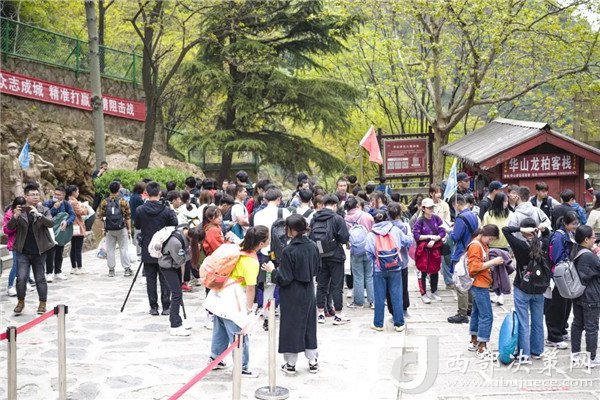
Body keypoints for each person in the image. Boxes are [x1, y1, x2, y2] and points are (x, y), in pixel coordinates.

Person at [205, 226, 270, 377]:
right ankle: (242, 367)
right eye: (268, 239)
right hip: (233, 298)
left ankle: (215, 358)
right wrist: (249, 308)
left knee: (220, 329)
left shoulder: (237, 248)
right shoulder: (251, 261)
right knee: (239, 333)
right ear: (261, 243)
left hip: (219, 292)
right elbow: (250, 288)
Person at [262, 214, 320, 374]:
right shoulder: (313, 246)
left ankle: (291, 363)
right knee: (309, 325)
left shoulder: (289, 250)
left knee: (291, 327)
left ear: (291, 230)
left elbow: (284, 278)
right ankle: (313, 360)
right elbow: (318, 268)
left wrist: (272, 270)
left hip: (292, 292)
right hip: (308, 289)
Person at [502, 219, 551, 363]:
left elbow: (505, 230)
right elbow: (547, 234)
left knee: (523, 321)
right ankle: (537, 350)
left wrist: (519, 229)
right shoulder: (543, 244)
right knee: (537, 321)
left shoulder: (520, 245)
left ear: (525, 231)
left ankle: (524, 353)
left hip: (522, 286)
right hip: (539, 288)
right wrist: (543, 229)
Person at [8, 184, 54, 315]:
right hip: (22, 251)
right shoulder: (19, 210)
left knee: (40, 278)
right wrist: (15, 216)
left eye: (37, 194)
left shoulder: (44, 210)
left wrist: (39, 215)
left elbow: (51, 223)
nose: (35, 197)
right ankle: (20, 302)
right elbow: (9, 228)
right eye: (32, 195)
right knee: (21, 277)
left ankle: (42, 303)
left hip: (39, 251)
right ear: (26, 196)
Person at [135, 181, 179, 316]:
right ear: (159, 193)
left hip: (148, 248)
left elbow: (137, 225)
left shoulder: (140, 210)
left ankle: (153, 307)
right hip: (163, 248)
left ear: (146, 193)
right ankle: (166, 306)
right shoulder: (166, 210)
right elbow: (175, 224)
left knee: (150, 279)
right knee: (165, 278)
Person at [365, 209, 412, 332]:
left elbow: (368, 252)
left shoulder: (371, 235)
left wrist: (376, 261)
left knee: (379, 297)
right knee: (397, 295)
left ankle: (378, 324)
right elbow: (408, 241)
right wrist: (410, 234)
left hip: (379, 269)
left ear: (374, 220)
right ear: (387, 219)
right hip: (395, 267)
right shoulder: (395, 230)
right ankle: (399, 323)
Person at [312, 194, 351, 325]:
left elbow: (311, 236)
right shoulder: (337, 218)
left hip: (320, 256)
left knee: (321, 285)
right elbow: (344, 238)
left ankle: (320, 314)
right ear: (335, 205)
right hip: (336, 256)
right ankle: (338, 315)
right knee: (337, 286)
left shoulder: (315, 218)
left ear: (323, 204)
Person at [159, 225, 205, 336]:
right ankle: (175, 325)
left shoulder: (183, 231)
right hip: (168, 267)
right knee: (177, 294)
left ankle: (177, 320)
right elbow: (180, 260)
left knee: (177, 294)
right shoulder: (176, 243)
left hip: (173, 266)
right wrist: (191, 252)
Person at [466, 224, 503, 358]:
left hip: (478, 283)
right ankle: (482, 347)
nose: (490, 242)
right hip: (479, 284)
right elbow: (474, 267)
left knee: (476, 313)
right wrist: (493, 262)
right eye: (490, 239)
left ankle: (474, 340)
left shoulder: (478, 243)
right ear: (485, 235)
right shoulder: (476, 245)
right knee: (487, 315)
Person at [545, 211, 579, 349]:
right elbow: (556, 257)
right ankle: (553, 336)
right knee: (557, 306)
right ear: (565, 223)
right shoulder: (559, 236)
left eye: (577, 224)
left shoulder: (570, 234)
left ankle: (562, 329)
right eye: (573, 224)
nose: (575, 226)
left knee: (566, 304)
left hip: (567, 274)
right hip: (559, 275)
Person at [571, 225, 600, 368]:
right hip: (591, 296)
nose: (595, 239)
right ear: (586, 239)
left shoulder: (575, 250)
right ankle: (591, 357)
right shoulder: (589, 256)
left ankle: (575, 354)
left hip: (578, 294)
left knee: (577, 324)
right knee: (592, 328)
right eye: (593, 237)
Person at [447, 194, 479, 324]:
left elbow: (455, 237)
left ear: (456, 204)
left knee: (460, 283)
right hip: (470, 250)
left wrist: (449, 231)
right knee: (468, 281)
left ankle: (462, 313)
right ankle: (470, 308)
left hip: (461, 252)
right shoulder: (473, 215)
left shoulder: (461, 217)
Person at [412, 198, 446, 304]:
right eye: (429, 207)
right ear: (423, 208)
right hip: (423, 250)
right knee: (423, 271)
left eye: (432, 207)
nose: (431, 209)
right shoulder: (420, 220)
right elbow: (416, 235)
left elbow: (442, 231)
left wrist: (435, 239)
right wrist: (429, 237)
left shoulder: (437, 218)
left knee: (435, 270)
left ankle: (434, 291)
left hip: (435, 249)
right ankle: (423, 293)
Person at [97, 181, 133, 278]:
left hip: (109, 229)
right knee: (123, 248)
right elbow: (128, 216)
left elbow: (101, 216)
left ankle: (111, 270)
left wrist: (104, 227)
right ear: (118, 189)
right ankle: (126, 269)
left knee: (110, 249)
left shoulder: (104, 201)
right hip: (121, 228)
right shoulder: (123, 201)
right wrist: (129, 229)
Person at [344, 196, 375, 308]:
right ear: (357, 205)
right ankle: (373, 301)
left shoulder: (345, 219)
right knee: (369, 276)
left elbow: (345, 236)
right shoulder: (367, 216)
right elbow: (373, 231)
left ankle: (359, 302)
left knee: (358, 276)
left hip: (355, 250)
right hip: (368, 249)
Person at [482, 192, 512, 305]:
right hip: (491, 246)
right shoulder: (488, 214)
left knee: (503, 272)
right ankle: (496, 293)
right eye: (504, 201)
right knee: (493, 272)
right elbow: (484, 229)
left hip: (505, 246)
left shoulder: (510, 214)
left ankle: (502, 295)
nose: (506, 203)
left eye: (507, 201)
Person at [43, 186, 76, 282]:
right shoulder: (48, 203)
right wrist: (54, 208)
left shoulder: (66, 204)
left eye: (59, 195)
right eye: (55, 194)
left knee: (59, 251)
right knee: (50, 252)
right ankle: (49, 273)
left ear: (63, 195)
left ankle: (58, 272)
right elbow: (46, 217)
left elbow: (72, 215)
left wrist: (67, 222)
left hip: (61, 231)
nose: (56, 196)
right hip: (50, 231)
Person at [388, 202, 413, 318]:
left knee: (390, 287)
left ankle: (392, 310)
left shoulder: (385, 227)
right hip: (402, 260)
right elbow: (407, 243)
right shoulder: (403, 226)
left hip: (388, 261)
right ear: (400, 213)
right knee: (403, 286)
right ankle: (404, 308)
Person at [3, 197, 26, 296]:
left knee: (26, 264)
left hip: (26, 242)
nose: (21, 208)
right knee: (16, 265)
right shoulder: (9, 214)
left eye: (23, 206)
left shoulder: (26, 212)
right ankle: (10, 286)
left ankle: (25, 283)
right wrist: (15, 217)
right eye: (19, 206)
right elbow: (6, 230)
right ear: (15, 206)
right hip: (15, 243)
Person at [67, 185, 89, 274]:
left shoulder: (68, 201)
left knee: (73, 247)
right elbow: (81, 212)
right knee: (78, 248)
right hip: (77, 227)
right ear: (73, 192)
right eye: (77, 191)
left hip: (71, 227)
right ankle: (79, 267)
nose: (78, 193)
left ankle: (73, 267)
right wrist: (86, 207)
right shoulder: (74, 202)